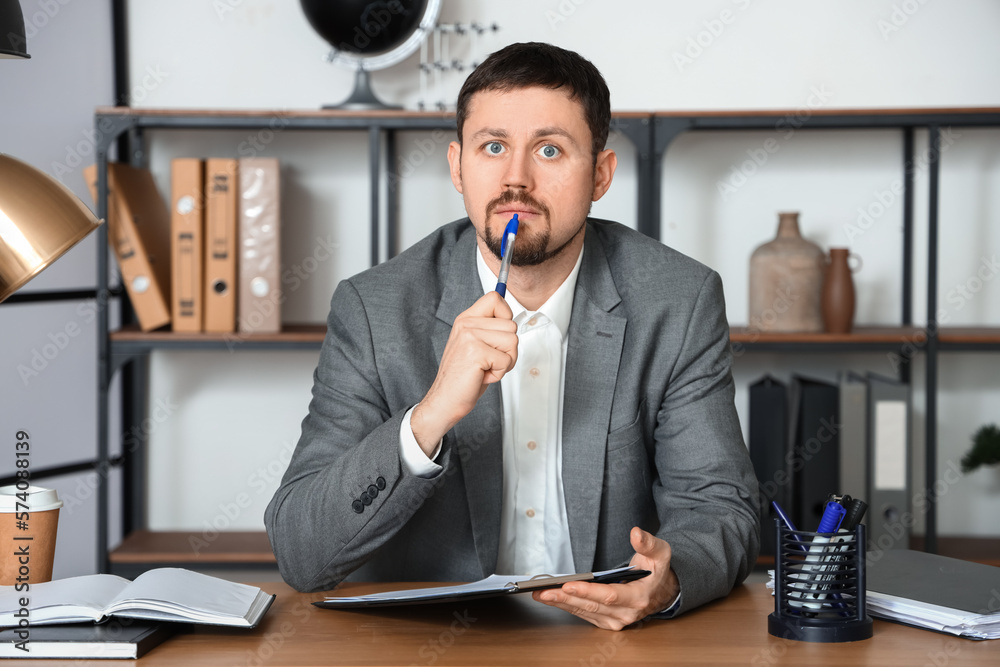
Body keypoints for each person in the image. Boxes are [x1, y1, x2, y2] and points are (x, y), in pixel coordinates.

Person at [265, 42, 759, 631]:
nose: (515, 179)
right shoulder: (374, 308)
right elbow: (300, 551)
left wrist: (668, 580)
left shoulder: (678, 299)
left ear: (600, 174)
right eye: (493, 147)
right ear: (457, 167)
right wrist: (428, 417)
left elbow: (720, 510)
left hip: (605, 643)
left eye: (549, 150)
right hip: (431, 647)